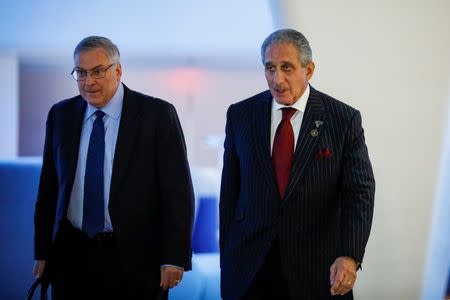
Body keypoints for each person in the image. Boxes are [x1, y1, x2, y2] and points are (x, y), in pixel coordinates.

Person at [32, 36, 194, 299]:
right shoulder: (61, 115)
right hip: (71, 255)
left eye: (97, 71)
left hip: (135, 259)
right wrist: (42, 251)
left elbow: (177, 193)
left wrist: (174, 257)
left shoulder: (157, 115)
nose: (88, 81)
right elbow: (49, 188)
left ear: (117, 71)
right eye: (81, 73)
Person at [219, 28, 375, 299]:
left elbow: (359, 194)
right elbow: (229, 193)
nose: (277, 79)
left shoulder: (343, 119)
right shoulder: (240, 115)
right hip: (249, 269)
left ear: (309, 70)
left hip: (316, 270)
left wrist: (350, 256)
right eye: (270, 68)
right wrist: (228, 260)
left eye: (287, 67)